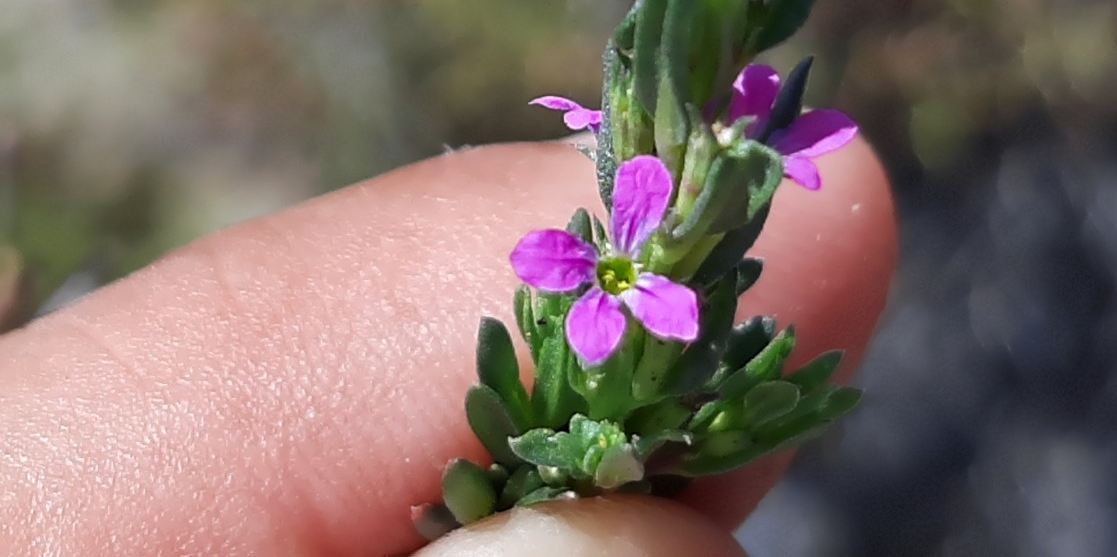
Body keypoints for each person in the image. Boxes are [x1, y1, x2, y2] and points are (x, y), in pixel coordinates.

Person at [0, 137, 896, 556]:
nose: (621, 271)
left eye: (623, 267)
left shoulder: (633, 284)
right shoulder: (592, 281)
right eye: (615, 266)